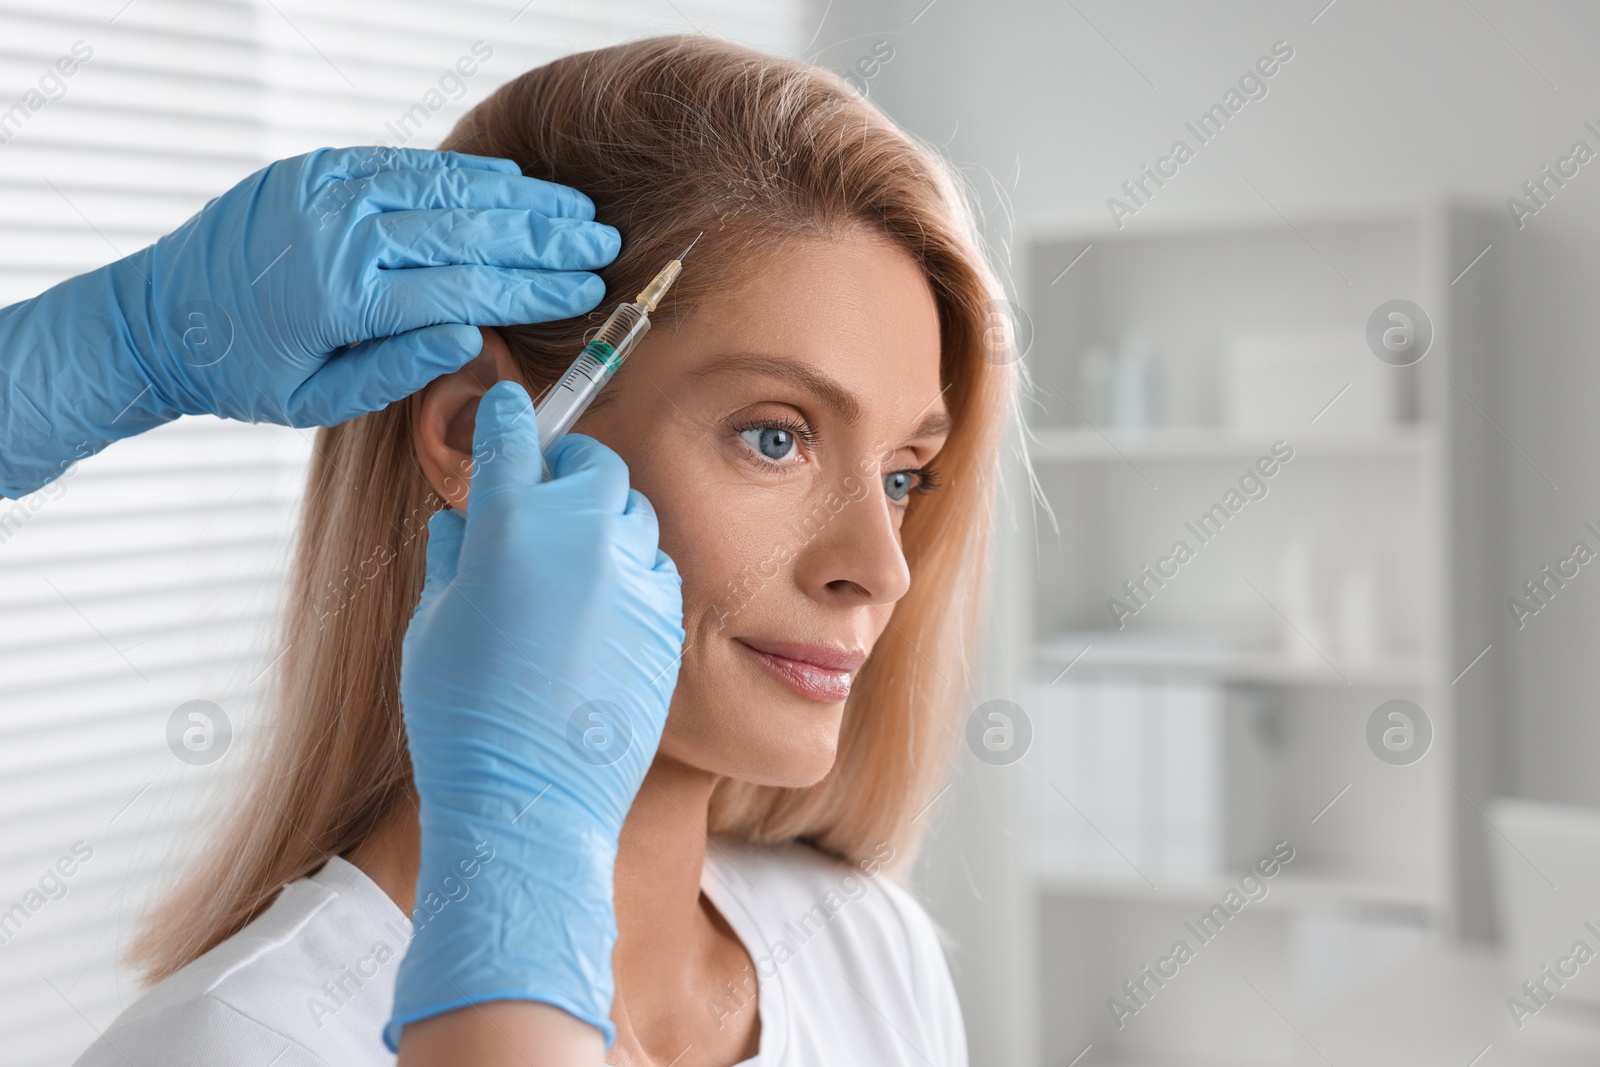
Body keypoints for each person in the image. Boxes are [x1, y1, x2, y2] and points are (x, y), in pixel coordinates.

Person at [64, 35, 1018, 1067]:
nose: (881, 568)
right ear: (482, 436)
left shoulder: (865, 950)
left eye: (901, 473)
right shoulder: (238, 1044)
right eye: (774, 436)